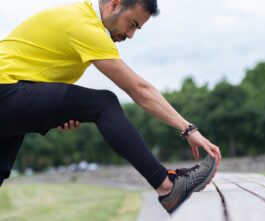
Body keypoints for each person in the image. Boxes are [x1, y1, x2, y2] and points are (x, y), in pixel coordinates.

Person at [0, 0, 221, 214]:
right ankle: (168, 187)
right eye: (132, 24)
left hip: (11, 90)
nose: (130, 35)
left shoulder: (79, 16)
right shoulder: (85, 26)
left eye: (137, 29)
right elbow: (138, 90)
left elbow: (38, 80)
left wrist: (56, 112)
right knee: (104, 103)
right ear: (115, 4)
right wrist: (188, 129)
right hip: (5, 89)